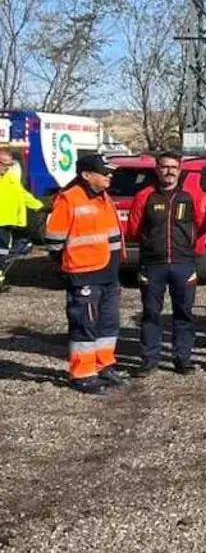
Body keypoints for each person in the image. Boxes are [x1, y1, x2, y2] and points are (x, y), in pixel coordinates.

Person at [46, 155, 125, 394]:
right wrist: (68, 266)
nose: (109, 176)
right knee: (84, 325)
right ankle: (82, 374)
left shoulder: (103, 197)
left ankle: (104, 366)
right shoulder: (69, 199)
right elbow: (54, 241)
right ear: (86, 175)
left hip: (109, 273)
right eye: (104, 172)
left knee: (108, 323)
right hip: (84, 274)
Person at [126, 151, 206, 376]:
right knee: (151, 313)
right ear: (157, 169)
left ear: (180, 170)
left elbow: (202, 226)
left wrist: (195, 255)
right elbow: (133, 229)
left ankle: (182, 359)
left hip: (183, 264)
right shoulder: (144, 196)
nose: (169, 171)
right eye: (164, 166)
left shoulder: (191, 196)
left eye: (174, 167)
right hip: (153, 265)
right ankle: (149, 360)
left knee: (184, 314)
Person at [0, 150, 43, 291]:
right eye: (5, 165)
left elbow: (22, 194)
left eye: (10, 165)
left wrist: (39, 206)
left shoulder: (10, 177)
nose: (7, 168)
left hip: (7, 222)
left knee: (3, 253)